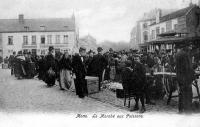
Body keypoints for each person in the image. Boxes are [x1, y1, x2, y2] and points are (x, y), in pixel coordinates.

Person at [175, 45, 195, 113]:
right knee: (188, 94)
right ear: (186, 47)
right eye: (189, 46)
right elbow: (188, 67)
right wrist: (193, 74)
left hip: (180, 78)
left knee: (181, 93)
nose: (190, 48)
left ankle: (180, 109)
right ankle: (187, 110)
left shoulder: (178, 54)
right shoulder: (185, 55)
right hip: (186, 78)